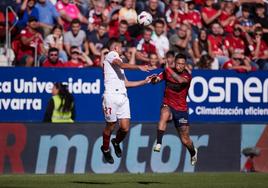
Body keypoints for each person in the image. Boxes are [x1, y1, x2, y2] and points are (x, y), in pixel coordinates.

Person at [100, 38, 153, 164]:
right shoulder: (111, 54)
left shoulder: (119, 69)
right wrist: (139, 67)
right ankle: (106, 149)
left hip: (123, 97)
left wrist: (144, 82)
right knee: (111, 125)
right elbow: (122, 64)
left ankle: (116, 142)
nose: (122, 49)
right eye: (120, 47)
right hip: (111, 96)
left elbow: (127, 83)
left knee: (125, 128)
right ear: (116, 48)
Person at [150, 53, 198, 166]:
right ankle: (159, 143)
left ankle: (193, 151)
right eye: (178, 63)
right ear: (175, 63)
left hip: (181, 109)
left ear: (185, 65)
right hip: (168, 104)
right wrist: (153, 80)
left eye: (183, 64)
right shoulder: (167, 71)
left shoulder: (187, 76)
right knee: (164, 114)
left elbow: (180, 80)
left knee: (185, 140)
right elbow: (157, 80)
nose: (180, 66)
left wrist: (167, 69)